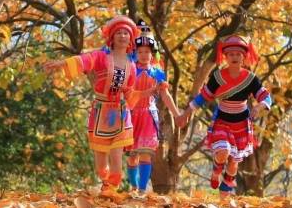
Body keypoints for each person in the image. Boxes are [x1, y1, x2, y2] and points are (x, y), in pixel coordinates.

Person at [44, 16, 156, 191]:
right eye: (118, 32)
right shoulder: (101, 57)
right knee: (101, 167)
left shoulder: (132, 66)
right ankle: (105, 181)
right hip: (100, 112)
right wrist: (62, 63)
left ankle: (111, 191)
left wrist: (148, 93)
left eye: (126, 33)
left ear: (130, 39)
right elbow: (84, 61)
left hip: (121, 113)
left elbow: (130, 93)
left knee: (117, 162)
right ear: (112, 37)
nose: (122, 36)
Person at [176, 35, 272, 195]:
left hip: (241, 123)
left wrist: (259, 106)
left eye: (238, 54)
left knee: (234, 163)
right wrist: (185, 113)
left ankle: (225, 192)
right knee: (223, 152)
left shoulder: (250, 79)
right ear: (225, 57)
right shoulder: (218, 77)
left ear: (244, 56)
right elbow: (203, 97)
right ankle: (216, 171)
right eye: (231, 54)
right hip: (222, 120)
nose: (234, 57)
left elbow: (266, 96)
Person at [125, 21, 181, 193]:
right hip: (131, 115)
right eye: (139, 51)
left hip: (149, 115)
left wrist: (177, 114)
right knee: (132, 156)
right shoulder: (129, 69)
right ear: (135, 52)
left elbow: (165, 94)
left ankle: (142, 189)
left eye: (147, 52)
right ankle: (133, 185)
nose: (143, 54)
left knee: (146, 153)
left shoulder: (157, 72)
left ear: (152, 53)